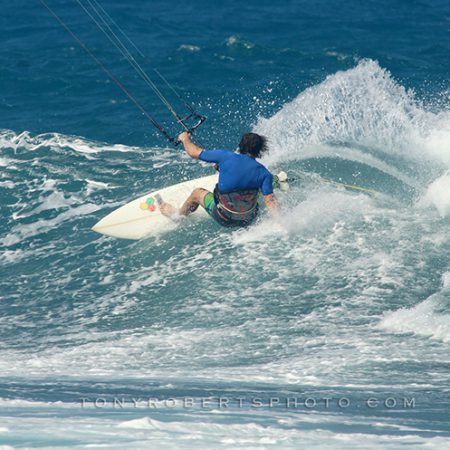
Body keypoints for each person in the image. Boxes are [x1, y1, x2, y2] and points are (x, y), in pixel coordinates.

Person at [159, 131, 278, 227]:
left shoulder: (225, 156)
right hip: (249, 220)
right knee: (263, 193)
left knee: (197, 193)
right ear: (260, 151)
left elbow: (193, 152)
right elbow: (271, 202)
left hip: (223, 217)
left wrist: (185, 138)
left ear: (240, 146)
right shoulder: (264, 173)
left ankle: (177, 215)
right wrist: (281, 223)